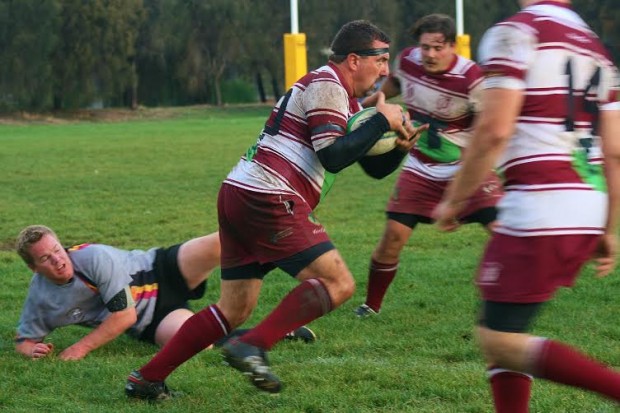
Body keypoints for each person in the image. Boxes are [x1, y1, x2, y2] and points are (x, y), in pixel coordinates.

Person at [125, 19, 424, 399]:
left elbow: (367, 165)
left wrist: (399, 146)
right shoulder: (327, 84)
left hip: (243, 192)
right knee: (339, 284)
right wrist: (382, 118)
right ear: (353, 59)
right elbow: (333, 156)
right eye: (380, 60)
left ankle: (146, 378)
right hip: (269, 195)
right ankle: (252, 344)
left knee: (234, 308)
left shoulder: (342, 97)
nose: (385, 70)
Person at [433, 1, 620, 411]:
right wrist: (607, 227)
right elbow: (615, 150)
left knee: (498, 339)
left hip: (540, 202)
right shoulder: (596, 49)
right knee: (504, 332)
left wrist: (456, 199)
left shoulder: (515, 33)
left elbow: (494, 130)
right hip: (587, 199)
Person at [354, 14, 503, 317]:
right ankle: (371, 305)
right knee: (392, 237)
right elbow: (394, 82)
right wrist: (362, 107)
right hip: (420, 166)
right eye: (425, 47)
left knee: (503, 231)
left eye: (438, 48)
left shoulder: (471, 78)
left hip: (465, 168)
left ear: (453, 46)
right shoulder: (408, 60)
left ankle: (517, 297)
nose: (430, 55)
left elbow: (490, 129)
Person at [15, 225, 314, 361]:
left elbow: (122, 316)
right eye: (45, 258)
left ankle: (285, 234)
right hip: (153, 320)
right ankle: (268, 334)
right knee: (199, 344)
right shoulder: (41, 299)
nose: (58, 259)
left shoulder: (93, 258)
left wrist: (79, 348)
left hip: (162, 269)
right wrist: (32, 350)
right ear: (33, 268)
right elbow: (24, 341)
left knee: (219, 245)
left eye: (57, 250)